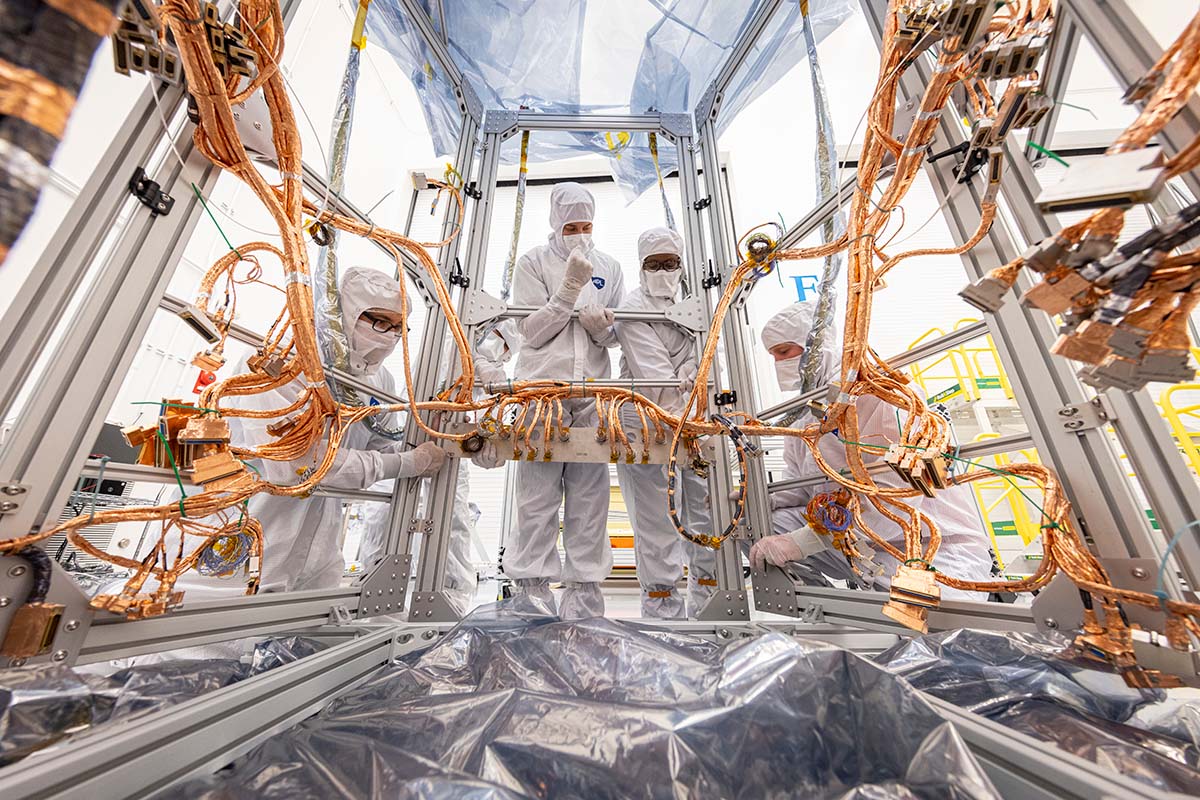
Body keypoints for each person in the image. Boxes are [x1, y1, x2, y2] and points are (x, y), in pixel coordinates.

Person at [749, 302, 993, 600]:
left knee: (937, 627)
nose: (778, 363)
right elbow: (798, 484)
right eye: (773, 355)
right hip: (858, 545)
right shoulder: (803, 412)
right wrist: (757, 495)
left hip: (929, 543)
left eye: (784, 352)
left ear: (815, 343)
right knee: (754, 521)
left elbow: (896, 493)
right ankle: (813, 601)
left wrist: (807, 540)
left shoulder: (880, 391)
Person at [502, 182, 625, 618]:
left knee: (590, 501)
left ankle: (585, 600)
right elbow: (529, 332)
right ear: (555, 222)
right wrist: (568, 291)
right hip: (542, 391)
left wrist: (599, 330)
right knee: (536, 499)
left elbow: (615, 335)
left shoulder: (609, 266)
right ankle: (531, 597)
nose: (579, 233)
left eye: (586, 225)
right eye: (571, 225)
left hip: (591, 395)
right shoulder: (533, 262)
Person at [613, 227, 718, 618]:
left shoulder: (696, 303)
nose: (662, 271)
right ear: (641, 267)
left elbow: (707, 351)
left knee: (704, 512)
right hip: (645, 422)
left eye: (670, 263)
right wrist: (690, 384)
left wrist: (694, 368)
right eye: (653, 265)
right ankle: (662, 611)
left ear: (681, 265)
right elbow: (653, 372)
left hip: (693, 423)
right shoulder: (631, 307)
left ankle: (709, 602)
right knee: (655, 518)